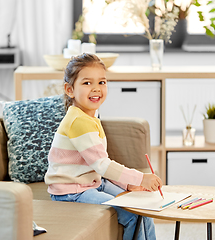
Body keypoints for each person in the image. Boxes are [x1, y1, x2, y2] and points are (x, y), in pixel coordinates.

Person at [44, 53, 163, 240]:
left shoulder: (90, 117)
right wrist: (140, 178)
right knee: (132, 213)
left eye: (102, 82)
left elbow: (97, 166)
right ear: (69, 89)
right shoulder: (78, 121)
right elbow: (102, 165)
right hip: (71, 192)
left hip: (92, 183)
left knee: (142, 208)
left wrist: (129, 184)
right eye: (87, 83)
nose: (96, 89)